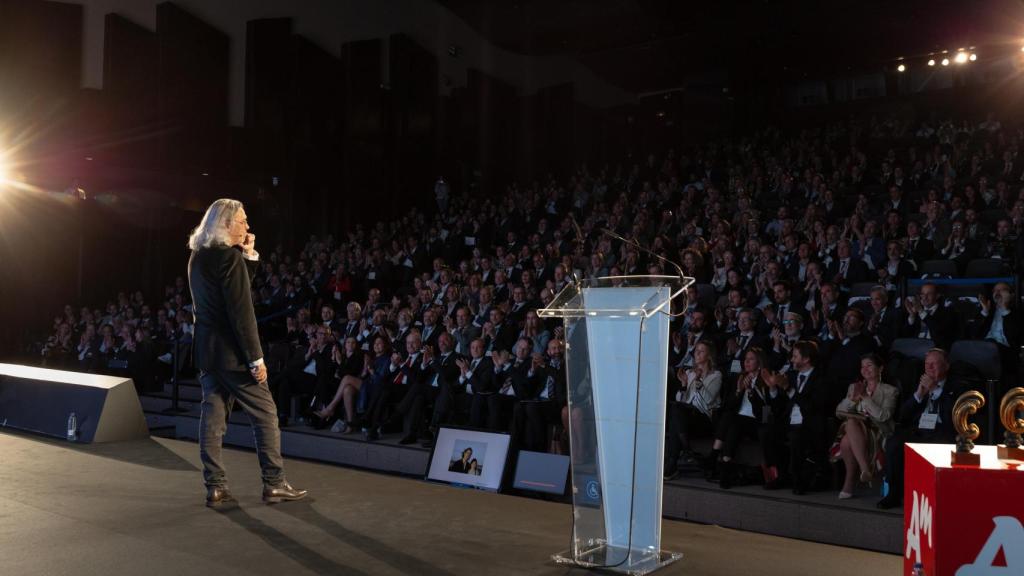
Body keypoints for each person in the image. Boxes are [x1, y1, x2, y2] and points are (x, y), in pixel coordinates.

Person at [187, 198, 306, 507]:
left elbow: (232, 290)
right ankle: (274, 483)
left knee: (212, 419)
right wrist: (256, 358)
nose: (247, 226)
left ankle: (215, 487)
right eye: (243, 221)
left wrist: (249, 255)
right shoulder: (229, 259)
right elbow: (242, 312)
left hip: (207, 352)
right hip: (233, 355)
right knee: (266, 415)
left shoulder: (199, 257)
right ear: (226, 224)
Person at [877, 349, 964, 509]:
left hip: (943, 431)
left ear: (946, 366)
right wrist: (919, 395)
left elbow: (954, 415)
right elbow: (902, 416)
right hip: (919, 430)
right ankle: (894, 494)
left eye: (934, 364)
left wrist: (936, 391)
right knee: (895, 442)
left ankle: (934, 496)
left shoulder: (957, 386)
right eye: (927, 364)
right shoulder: (919, 382)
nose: (930, 368)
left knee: (938, 442)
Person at [833, 354, 898, 500]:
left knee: (846, 440)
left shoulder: (890, 390)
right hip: (857, 427)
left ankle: (849, 483)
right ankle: (865, 470)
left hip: (878, 430)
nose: (865, 369)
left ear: (880, 368)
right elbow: (839, 412)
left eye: (869, 365)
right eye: (862, 366)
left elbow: (884, 416)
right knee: (850, 423)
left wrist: (865, 397)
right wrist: (852, 399)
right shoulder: (854, 387)